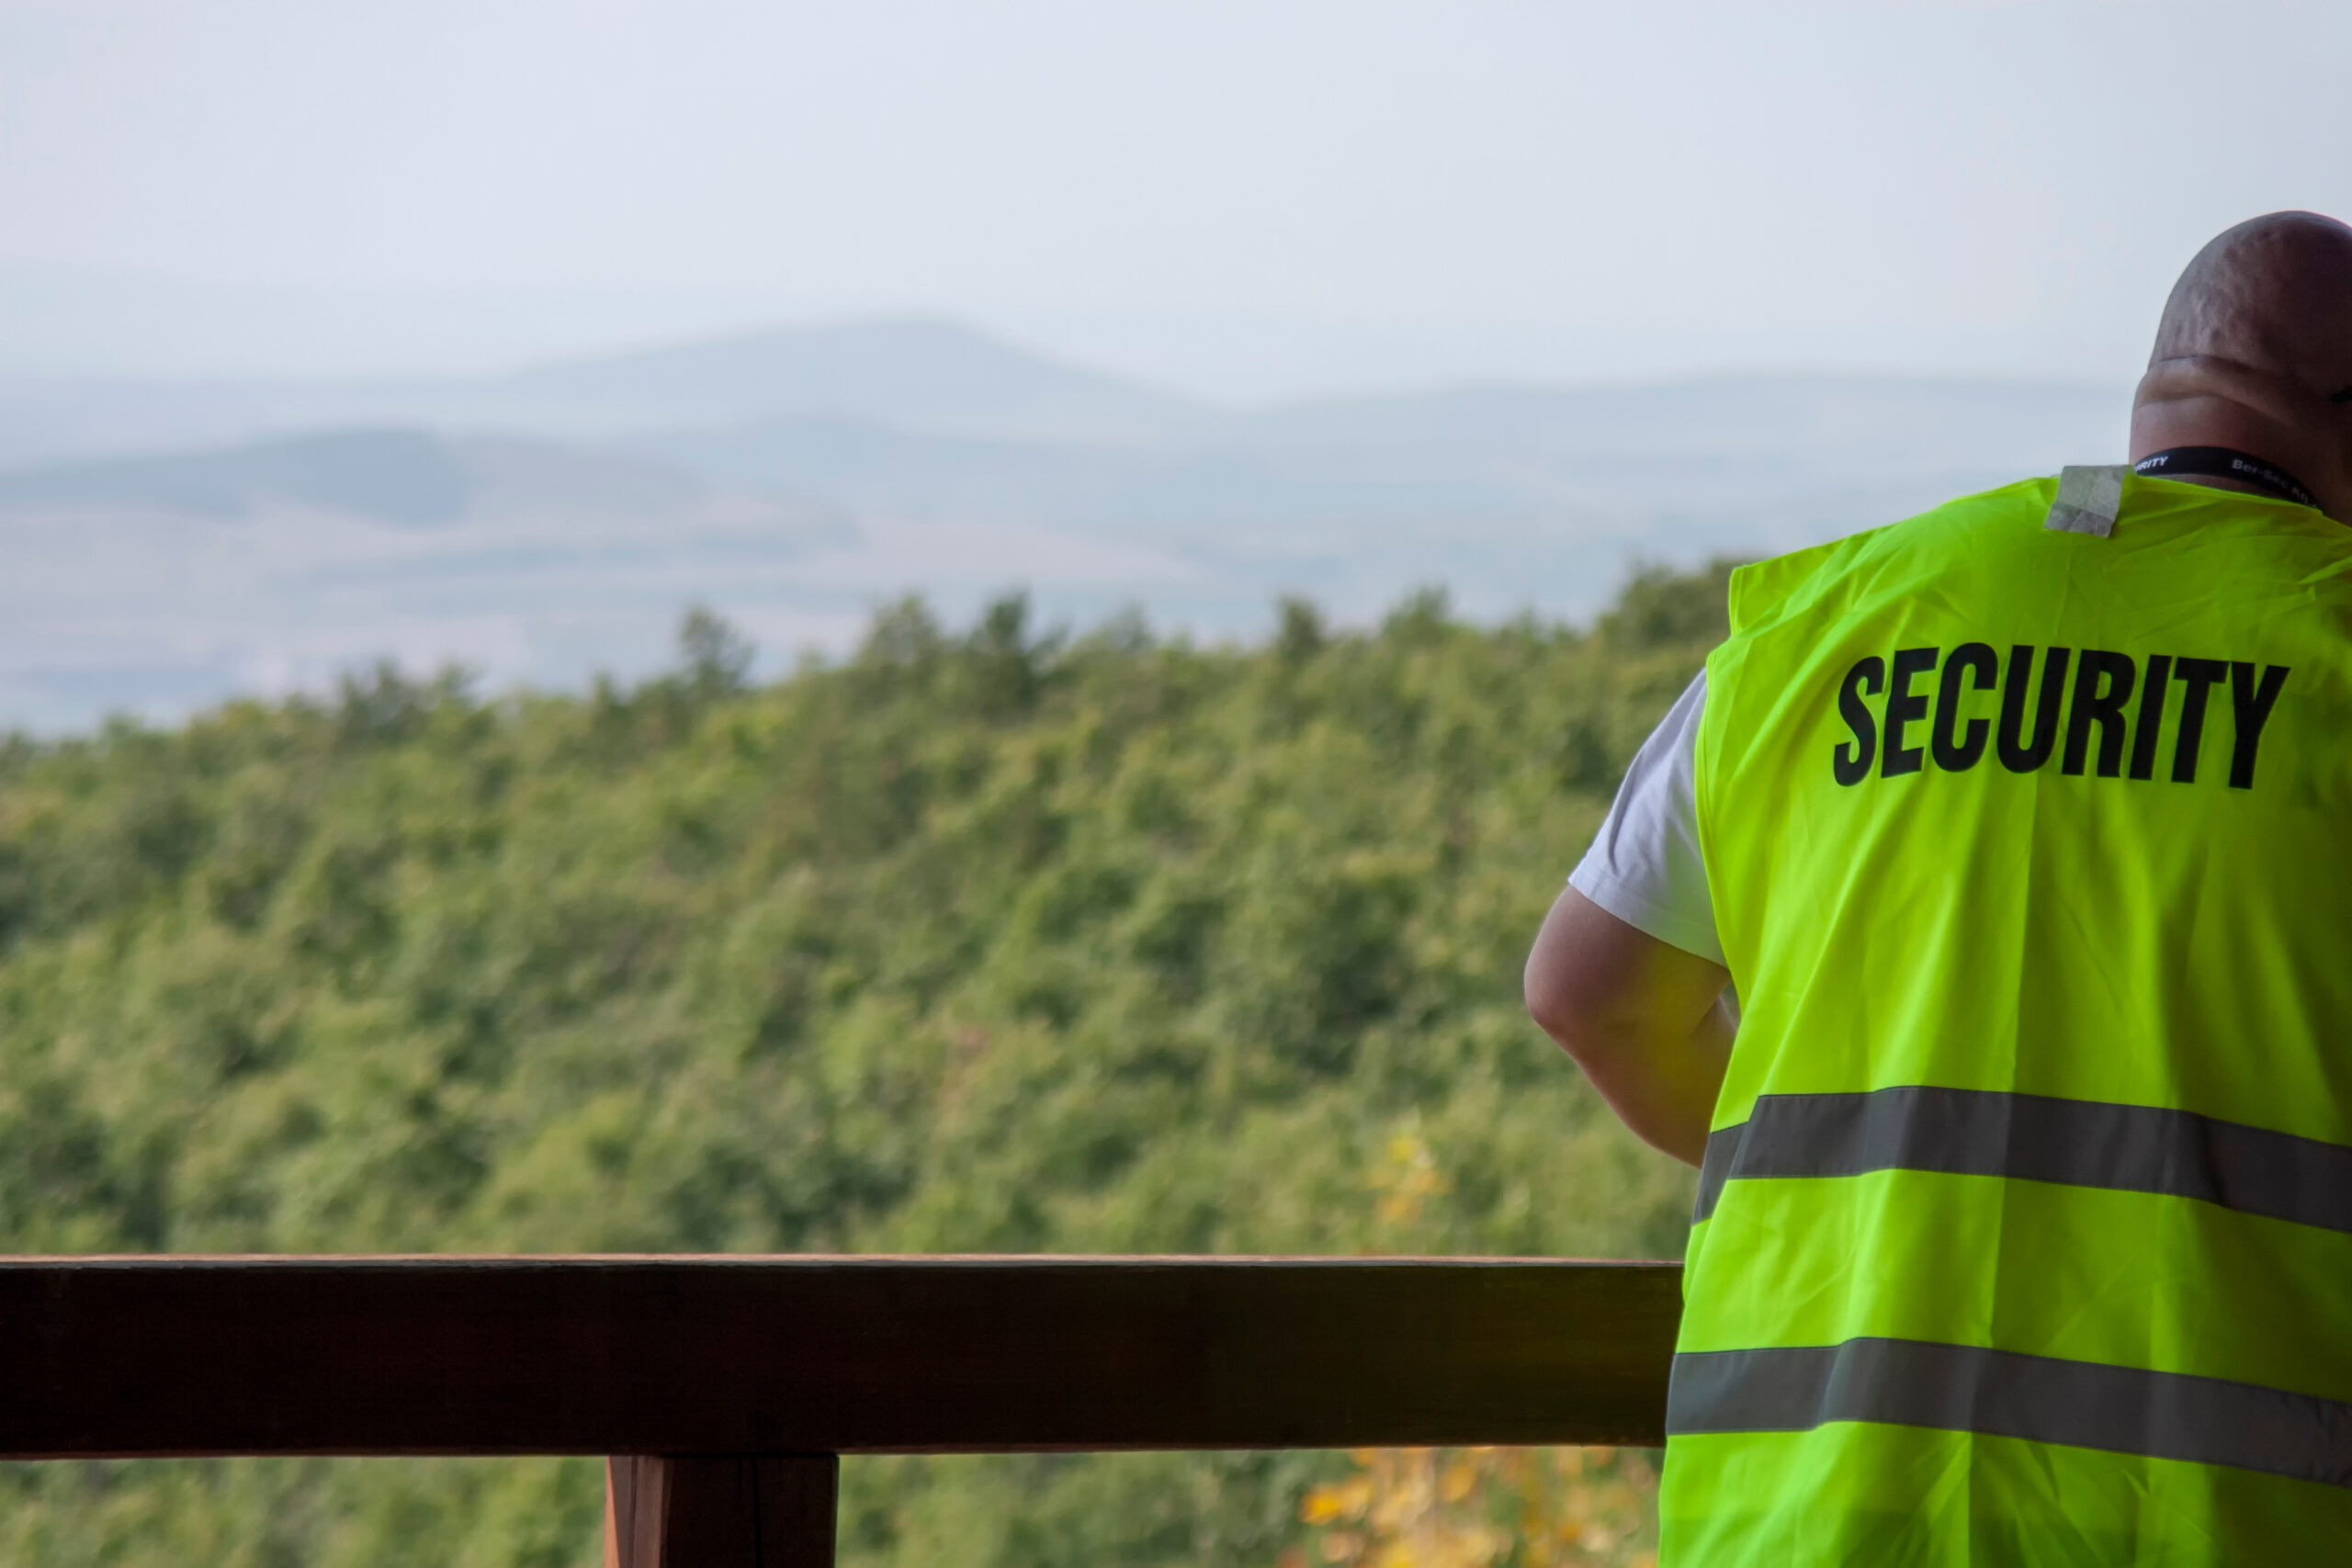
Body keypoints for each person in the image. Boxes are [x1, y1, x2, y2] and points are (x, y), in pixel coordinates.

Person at [1523, 210, 2352, 1563]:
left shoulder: (1836, 622)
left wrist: (1862, 1183)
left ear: (2159, 392)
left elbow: (1585, 992)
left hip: (1798, 1528)